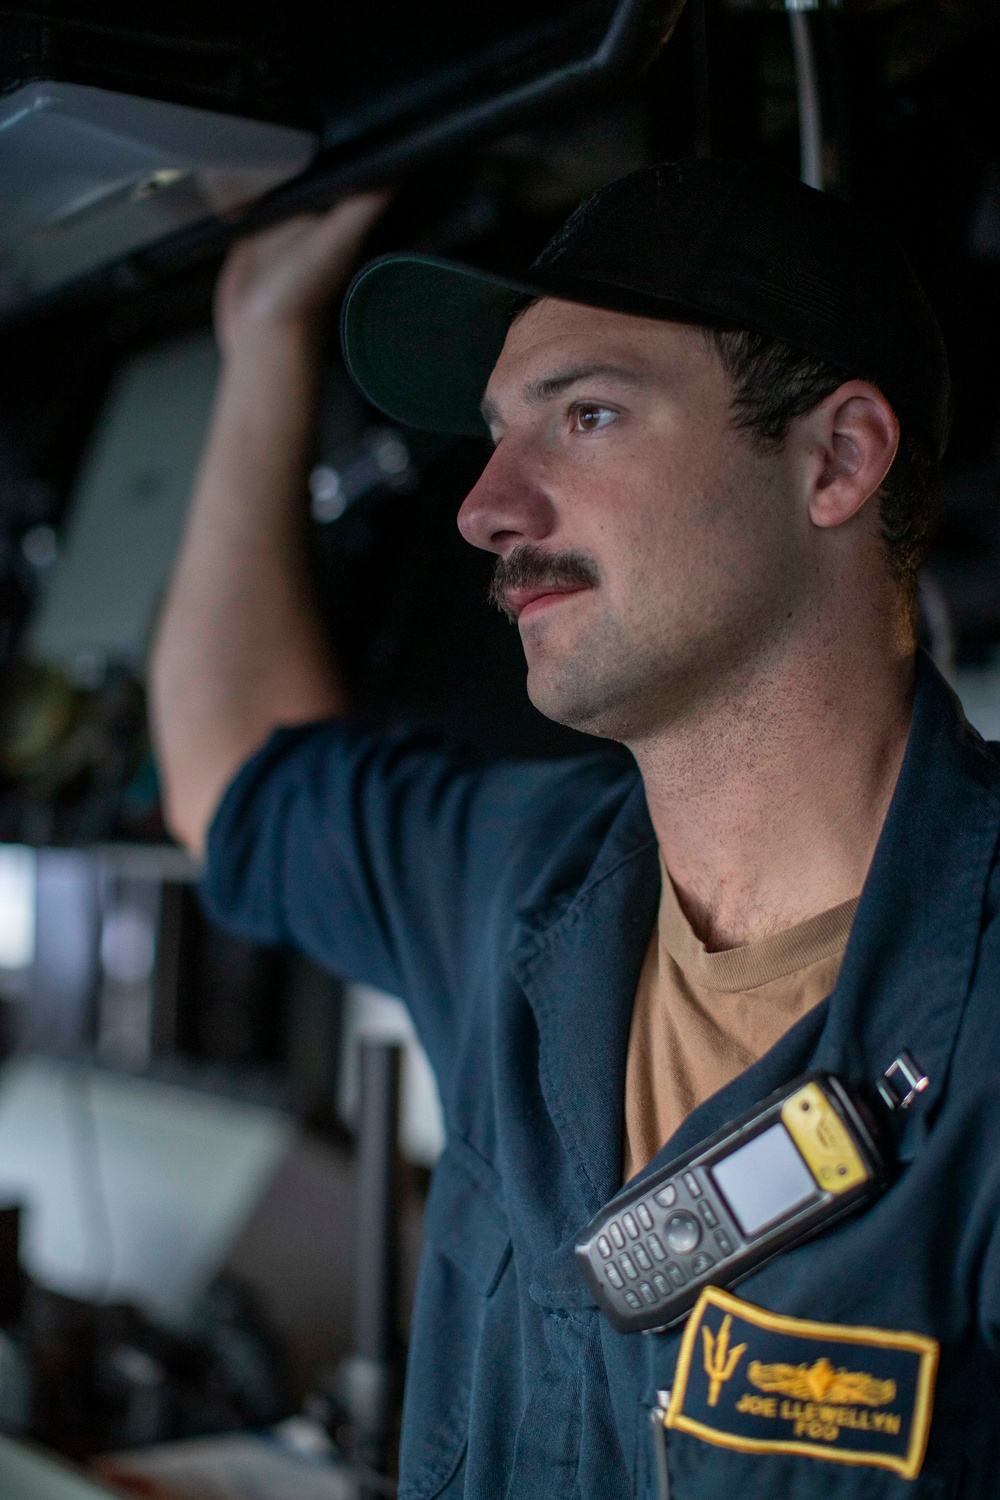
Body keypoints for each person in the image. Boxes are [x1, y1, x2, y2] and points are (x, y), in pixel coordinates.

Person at [150, 160, 1000, 1499]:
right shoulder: (521, 886)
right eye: (498, 432)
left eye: (588, 417)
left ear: (834, 459)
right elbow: (237, 781)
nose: (486, 508)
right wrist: (262, 343)